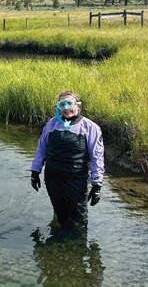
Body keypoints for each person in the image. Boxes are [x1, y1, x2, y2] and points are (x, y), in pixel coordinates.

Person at [30, 91, 104, 229]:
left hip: (76, 180)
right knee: (60, 215)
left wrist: (97, 185)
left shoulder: (90, 127)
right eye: (62, 104)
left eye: (69, 103)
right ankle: (58, 239)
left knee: (78, 221)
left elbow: (97, 157)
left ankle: (77, 241)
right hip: (53, 178)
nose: (66, 108)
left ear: (78, 106)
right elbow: (41, 149)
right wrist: (35, 172)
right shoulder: (51, 124)